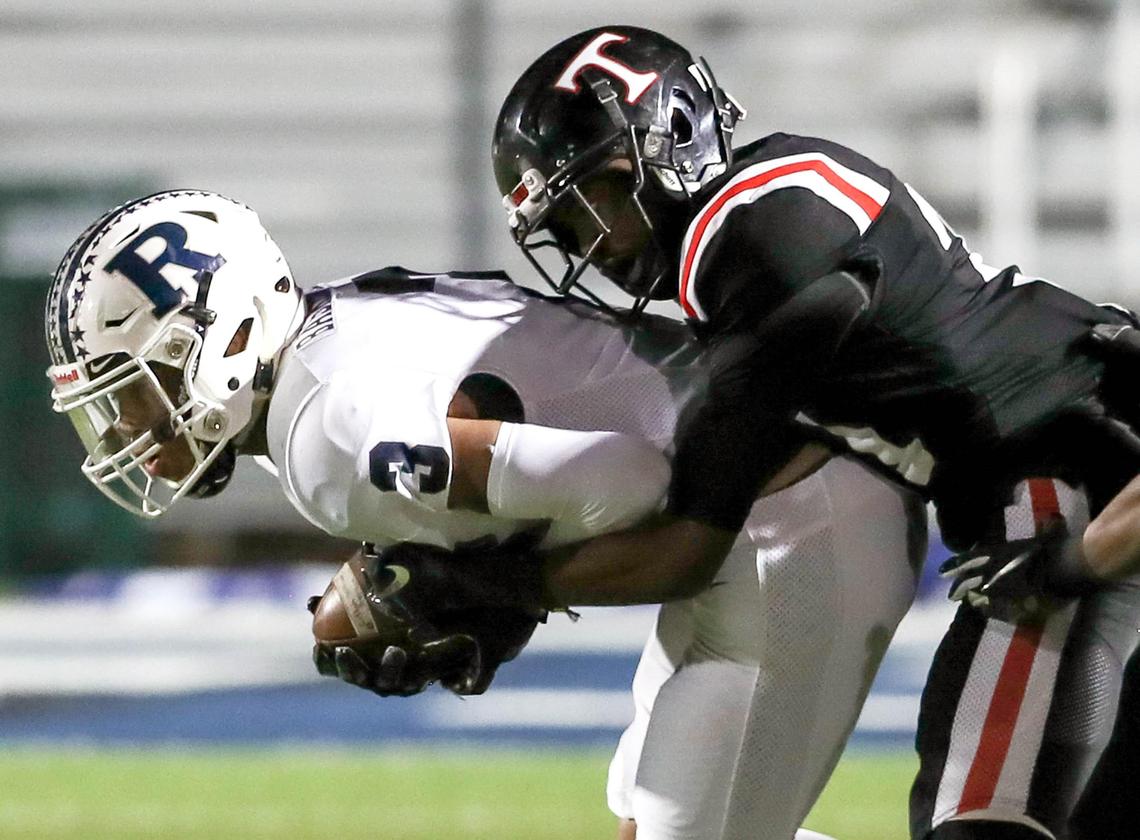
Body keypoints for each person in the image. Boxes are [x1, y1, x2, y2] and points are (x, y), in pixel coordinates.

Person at [45, 189, 924, 840]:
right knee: (648, 823)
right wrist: (480, 579)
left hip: (790, 516)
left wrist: (496, 585)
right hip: (783, 491)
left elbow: (631, 481)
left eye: (140, 393)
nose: (131, 432)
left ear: (223, 340)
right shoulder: (336, 326)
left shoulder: (329, 444)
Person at [486, 25, 1140, 840]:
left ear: (671, 139)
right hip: (1042, 485)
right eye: (568, 230)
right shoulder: (762, 210)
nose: (592, 248)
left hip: (1054, 485)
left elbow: (688, 539)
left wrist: (502, 584)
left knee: (987, 825)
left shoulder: (762, 244)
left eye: (596, 205)